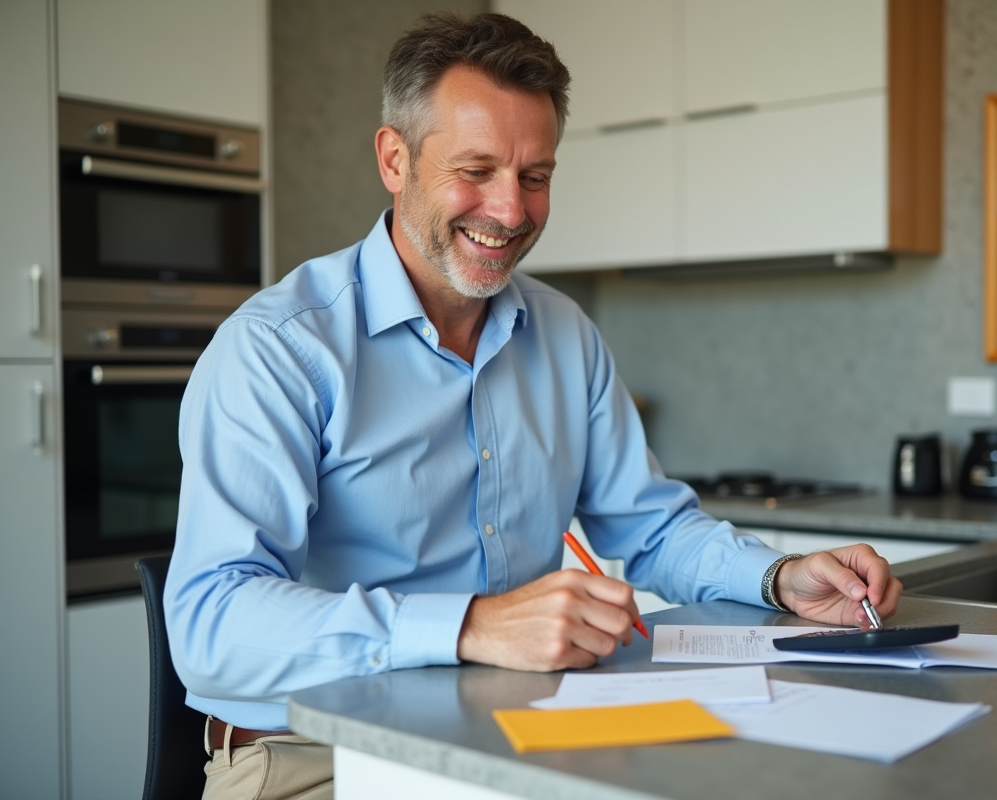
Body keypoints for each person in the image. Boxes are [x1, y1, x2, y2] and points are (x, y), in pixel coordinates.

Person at [164, 12, 902, 799]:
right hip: (314, 754)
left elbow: (651, 528)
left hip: (524, 732)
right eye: (476, 170)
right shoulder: (281, 348)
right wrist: (473, 625)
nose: (511, 212)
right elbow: (212, 624)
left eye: (535, 177)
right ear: (394, 159)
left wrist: (779, 576)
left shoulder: (563, 334)